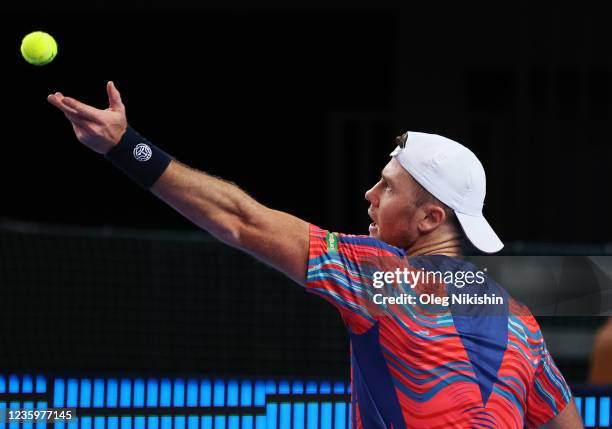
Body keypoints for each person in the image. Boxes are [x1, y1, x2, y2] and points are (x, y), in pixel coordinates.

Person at [48, 82, 584, 429]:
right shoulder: (521, 323)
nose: (369, 195)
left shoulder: (379, 276)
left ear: (430, 220)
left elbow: (241, 219)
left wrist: (127, 148)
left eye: (388, 186)